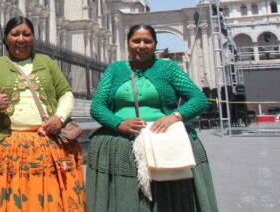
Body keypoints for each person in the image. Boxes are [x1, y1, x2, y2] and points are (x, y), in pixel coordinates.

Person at [86, 24, 219, 211]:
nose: (142, 45)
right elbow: (97, 106)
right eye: (136, 40)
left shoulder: (168, 68)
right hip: (120, 141)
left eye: (147, 41)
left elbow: (198, 99)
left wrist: (174, 116)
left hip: (163, 141)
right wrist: (118, 124)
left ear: (155, 44)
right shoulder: (115, 70)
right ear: (128, 43)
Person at [0, 16, 85, 211]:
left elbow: (65, 93)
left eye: (26, 34)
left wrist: (59, 118)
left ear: (33, 38)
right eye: (15, 34)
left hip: (45, 143)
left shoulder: (45, 62)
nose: (20, 39)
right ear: (5, 39)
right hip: (4, 144)